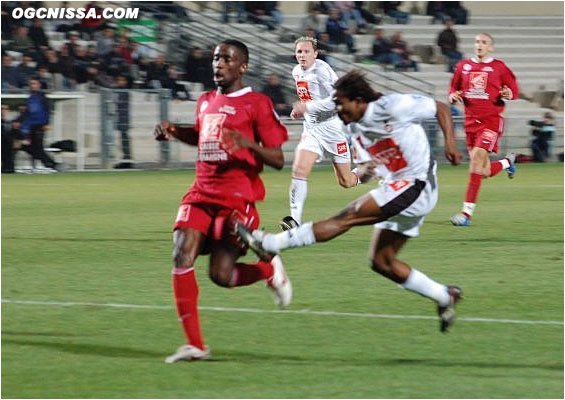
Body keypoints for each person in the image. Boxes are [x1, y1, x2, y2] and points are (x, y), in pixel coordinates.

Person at [237, 70, 464, 333]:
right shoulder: (352, 127)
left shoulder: (393, 106)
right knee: (382, 262)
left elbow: (440, 107)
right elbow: (370, 166)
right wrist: (365, 172)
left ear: (358, 100)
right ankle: (444, 296)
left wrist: (450, 143)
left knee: (347, 216)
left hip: (417, 183)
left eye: (341, 102)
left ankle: (271, 244)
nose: (337, 108)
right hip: (397, 187)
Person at [153, 39, 292, 363]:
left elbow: (278, 159)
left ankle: (268, 271)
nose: (219, 64)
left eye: (227, 59)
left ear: (242, 66)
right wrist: (174, 130)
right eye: (216, 58)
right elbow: (201, 134)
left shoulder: (256, 103)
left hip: (237, 198)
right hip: (201, 192)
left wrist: (247, 143)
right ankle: (195, 345)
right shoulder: (205, 101)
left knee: (221, 276)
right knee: (180, 254)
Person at [282, 36, 358, 230]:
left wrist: (307, 108)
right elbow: (307, 98)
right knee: (299, 170)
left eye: (306, 51)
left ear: (315, 54)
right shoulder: (296, 72)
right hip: (312, 129)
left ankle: (370, 170)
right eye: (299, 51)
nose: (302, 55)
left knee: (346, 181)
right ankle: (294, 221)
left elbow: (338, 99)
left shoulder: (322, 70)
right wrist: (300, 110)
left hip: (333, 129)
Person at [448, 33, 519, 226]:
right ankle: (507, 162)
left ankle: (466, 214)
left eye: (484, 42)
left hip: (491, 122)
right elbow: (453, 89)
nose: (479, 45)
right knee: (484, 171)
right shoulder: (463, 66)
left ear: (491, 47)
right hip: (470, 124)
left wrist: (508, 93)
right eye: (477, 42)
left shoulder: (499, 67)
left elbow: (514, 90)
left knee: (476, 160)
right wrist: (453, 96)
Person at [21, 77, 58, 172]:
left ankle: (51, 164)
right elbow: (27, 114)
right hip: (31, 126)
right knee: (33, 147)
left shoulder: (42, 97)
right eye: (31, 84)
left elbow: (48, 110)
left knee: (38, 147)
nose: (32, 86)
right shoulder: (29, 98)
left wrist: (47, 123)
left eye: (34, 83)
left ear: (38, 85)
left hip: (40, 125)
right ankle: (45, 165)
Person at [113, 75, 133, 168]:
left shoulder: (124, 91)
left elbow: (119, 104)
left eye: (122, 80)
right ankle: (125, 159)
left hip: (123, 118)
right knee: (123, 140)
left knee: (125, 139)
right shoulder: (117, 90)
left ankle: (127, 160)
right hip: (119, 118)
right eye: (118, 80)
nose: (120, 82)